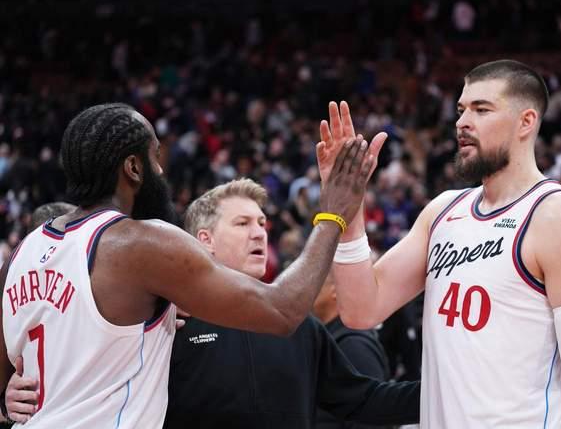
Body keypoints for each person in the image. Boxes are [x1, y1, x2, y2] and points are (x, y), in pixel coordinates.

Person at [0, 102, 374, 428]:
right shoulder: (140, 243)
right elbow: (283, 310)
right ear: (133, 167)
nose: (161, 172)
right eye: (155, 157)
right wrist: (333, 214)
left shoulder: (22, 253)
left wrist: (6, 400)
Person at [316, 60, 561, 428]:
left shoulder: (559, 220)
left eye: (481, 109)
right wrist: (348, 209)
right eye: (461, 110)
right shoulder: (443, 211)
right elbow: (361, 310)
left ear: (526, 122)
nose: (462, 122)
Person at [164, 178, 418, 428]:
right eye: (242, 223)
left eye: (261, 223)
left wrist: (435, 389)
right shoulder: (169, 320)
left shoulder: (297, 323)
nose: (259, 233)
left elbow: (364, 400)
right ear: (206, 240)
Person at [312, 273, 393, 429]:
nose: (305, 290)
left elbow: (370, 419)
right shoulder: (328, 336)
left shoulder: (354, 346)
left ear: (334, 290)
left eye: (314, 282)